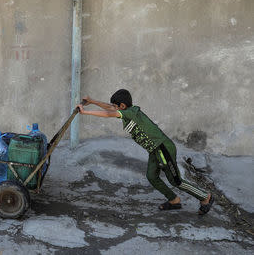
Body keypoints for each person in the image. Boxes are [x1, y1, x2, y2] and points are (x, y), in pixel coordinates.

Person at [76, 89, 214, 215]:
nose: (114, 108)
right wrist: (92, 101)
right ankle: (174, 200)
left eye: (116, 107)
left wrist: (85, 112)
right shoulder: (128, 111)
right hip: (154, 150)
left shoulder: (130, 113)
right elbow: (110, 108)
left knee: (176, 181)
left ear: (122, 106)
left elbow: (108, 113)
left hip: (163, 148)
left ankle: (205, 196)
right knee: (152, 176)